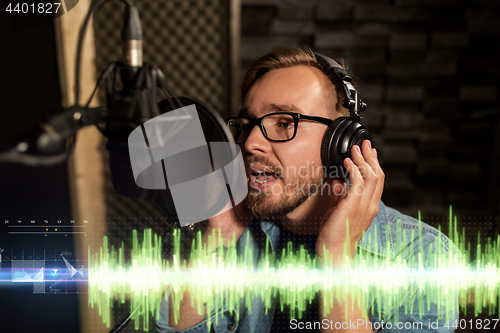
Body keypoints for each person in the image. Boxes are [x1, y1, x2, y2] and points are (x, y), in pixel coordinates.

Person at [154, 46, 462, 333]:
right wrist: (217, 235)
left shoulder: (423, 257)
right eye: (247, 124)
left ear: (340, 143)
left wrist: (337, 255)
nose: (249, 143)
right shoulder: (225, 236)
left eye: (285, 123)